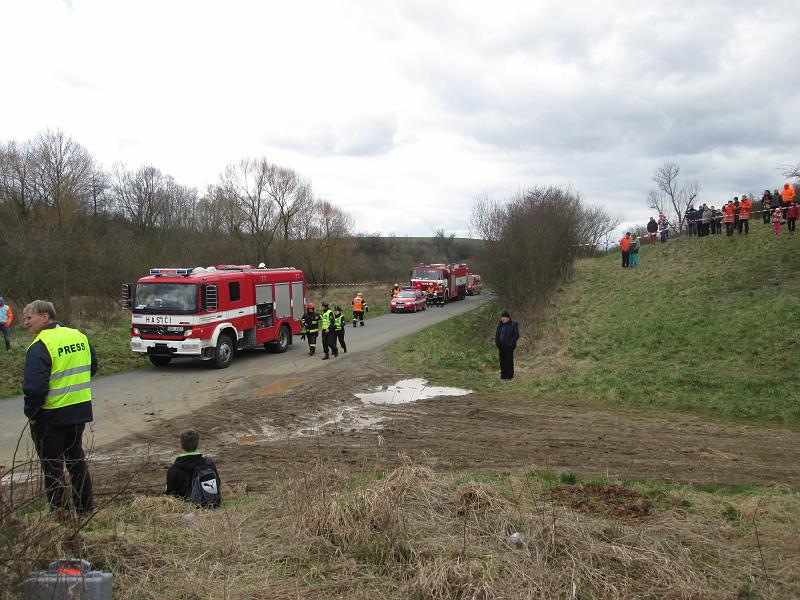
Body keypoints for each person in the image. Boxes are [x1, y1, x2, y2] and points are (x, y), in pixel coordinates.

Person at [22, 300, 97, 514]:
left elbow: (35, 388)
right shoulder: (78, 336)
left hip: (50, 416)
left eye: (29, 318)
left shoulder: (40, 345)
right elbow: (92, 367)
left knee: (52, 468)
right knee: (77, 462)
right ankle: (84, 509)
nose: (25, 323)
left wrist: (31, 413)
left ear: (44, 317)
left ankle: (60, 512)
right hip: (79, 412)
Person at [164, 429, 221, 508]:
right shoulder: (208, 463)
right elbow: (218, 484)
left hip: (184, 509)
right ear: (197, 444)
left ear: (181, 446)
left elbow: (169, 495)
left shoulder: (174, 469)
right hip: (208, 508)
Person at [495, 310, 519, 380]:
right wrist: (497, 342)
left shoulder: (513, 324)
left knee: (509, 361)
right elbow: (497, 335)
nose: (502, 319)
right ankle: (503, 375)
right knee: (502, 361)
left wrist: (511, 343)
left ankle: (509, 376)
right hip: (501, 347)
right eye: (502, 317)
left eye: (504, 317)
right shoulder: (500, 325)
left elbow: (516, 335)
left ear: (508, 318)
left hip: (509, 347)